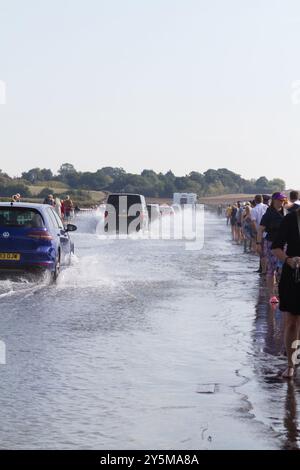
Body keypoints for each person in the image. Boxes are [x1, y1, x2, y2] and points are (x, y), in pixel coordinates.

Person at [272, 207, 300, 378]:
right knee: (292, 321)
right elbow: (276, 247)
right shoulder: (290, 220)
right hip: (293, 276)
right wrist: (289, 260)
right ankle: (291, 364)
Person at [257, 192, 286, 303]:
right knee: (272, 268)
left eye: (283, 200)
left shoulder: (285, 212)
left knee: (283, 269)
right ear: (273, 200)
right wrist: (258, 243)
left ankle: (281, 291)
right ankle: (272, 295)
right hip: (271, 243)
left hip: (284, 244)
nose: (281, 202)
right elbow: (260, 229)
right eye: (279, 200)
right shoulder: (268, 214)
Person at [251, 195, 268, 273]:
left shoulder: (254, 209)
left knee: (261, 252)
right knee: (267, 252)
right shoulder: (267, 207)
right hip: (269, 232)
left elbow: (254, 222)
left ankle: (264, 270)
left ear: (255, 201)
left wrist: (257, 232)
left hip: (260, 233)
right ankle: (263, 269)